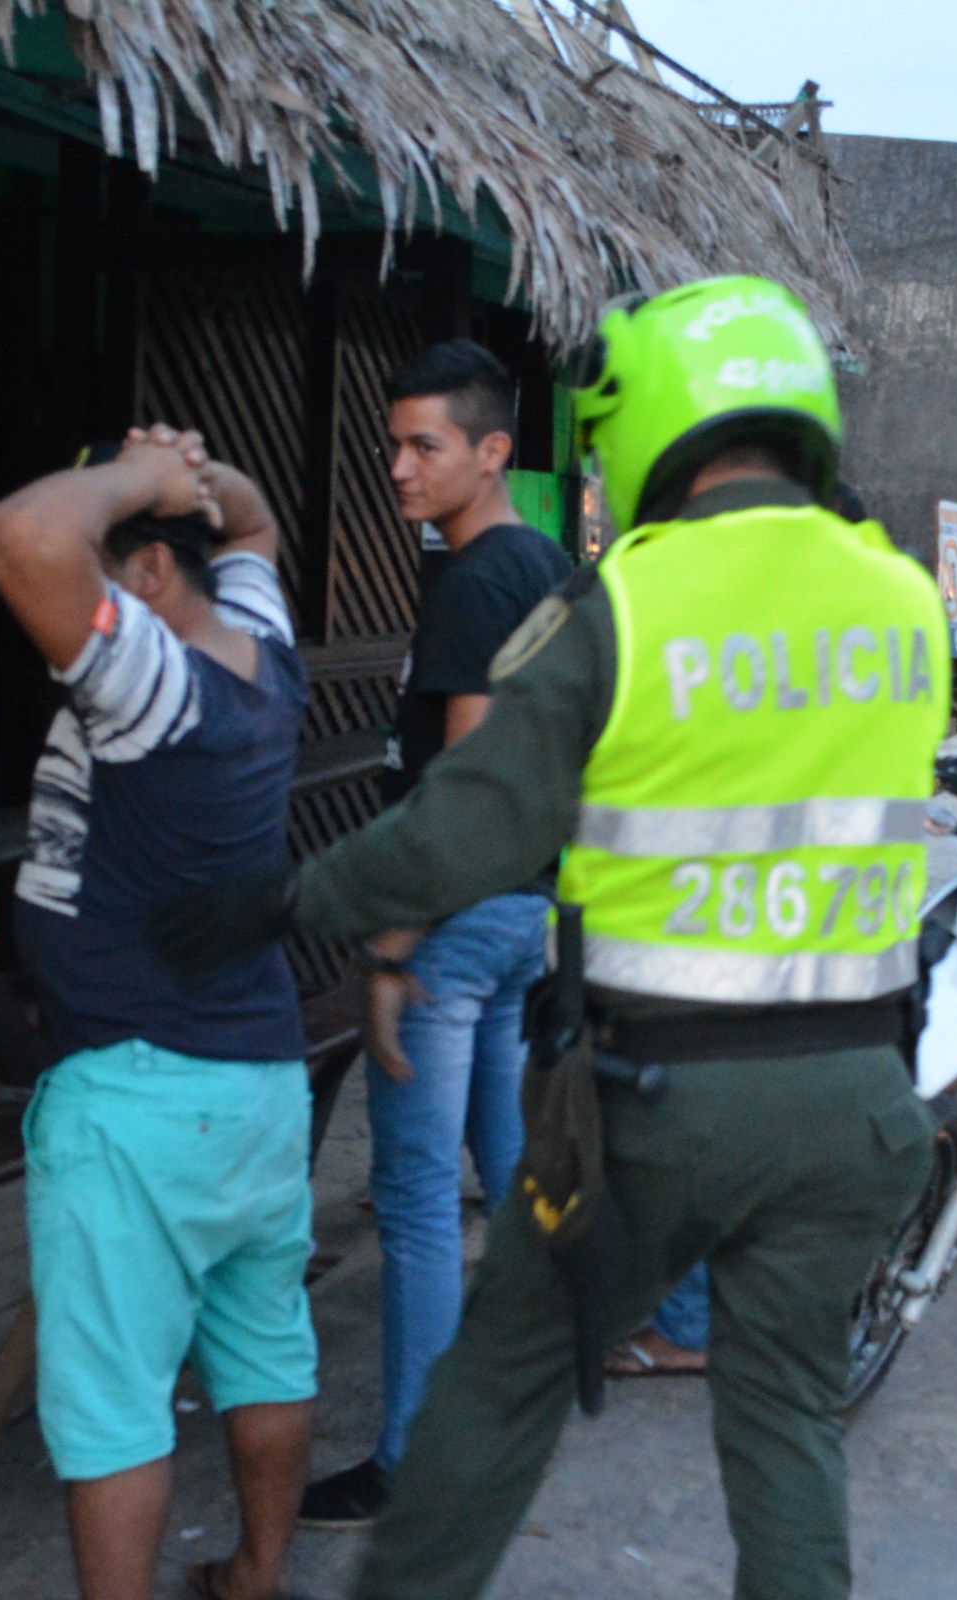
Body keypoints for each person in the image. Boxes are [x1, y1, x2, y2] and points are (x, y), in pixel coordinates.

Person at [158, 276, 946, 1600]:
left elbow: (464, 827)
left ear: (647, 422)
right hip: (861, 1098)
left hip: (657, 1108)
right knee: (784, 1422)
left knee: (507, 1371)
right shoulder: (901, 597)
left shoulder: (632, 603)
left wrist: (284, 906)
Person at [0, 428, 318, 1600]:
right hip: (258, 1083)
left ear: (155, 574)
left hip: (135, 1095)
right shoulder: (261, 657)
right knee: (264, 1343)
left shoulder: (152, 684)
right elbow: (265, 534)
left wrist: (139, 484)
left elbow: (19, 538)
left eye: (112, 575)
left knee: (113, 1390)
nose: (77, 619)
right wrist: (198, 472)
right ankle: (262, 1582)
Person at [297, 342, 571, 1532]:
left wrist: (393, 947)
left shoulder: (475, 581)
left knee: (414, 1200)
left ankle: (418, 1459)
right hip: (524, 915)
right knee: (506, 1182)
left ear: (492, 452)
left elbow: (462, 783)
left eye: (426, 447)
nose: (398, 468)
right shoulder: (548, 566)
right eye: (394, 443)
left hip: (459, 927)